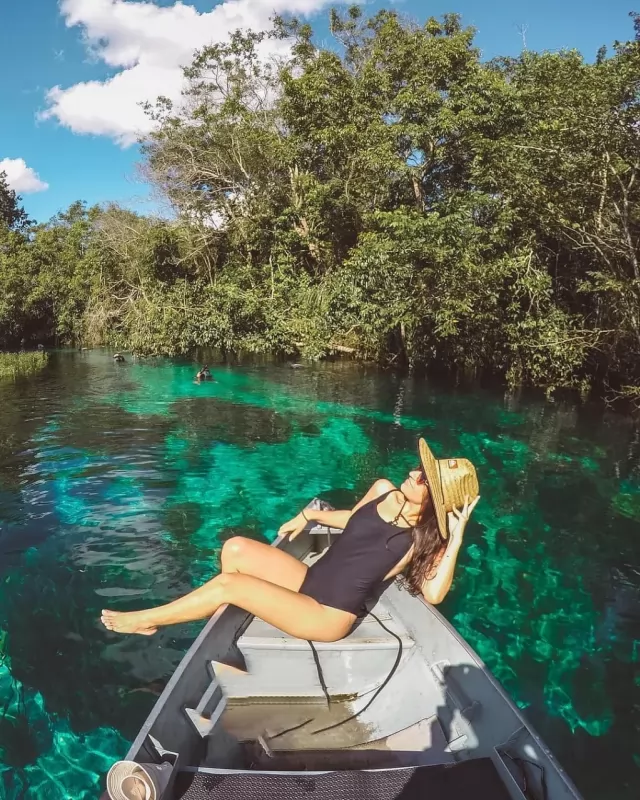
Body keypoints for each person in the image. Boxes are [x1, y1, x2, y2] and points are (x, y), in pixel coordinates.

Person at [101, 438, 480, 641]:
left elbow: (433, 593)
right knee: (235, 547)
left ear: (435, 501)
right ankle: (221, 627)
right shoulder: (384, 489)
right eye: (420, 468)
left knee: (230, 583)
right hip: (309, 581)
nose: (414, 472)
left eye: (424, 479)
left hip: (328, 616)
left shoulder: (422, 539)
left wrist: (457, 536)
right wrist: (310, 514)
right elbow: (352, 520)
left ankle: (146, 621)